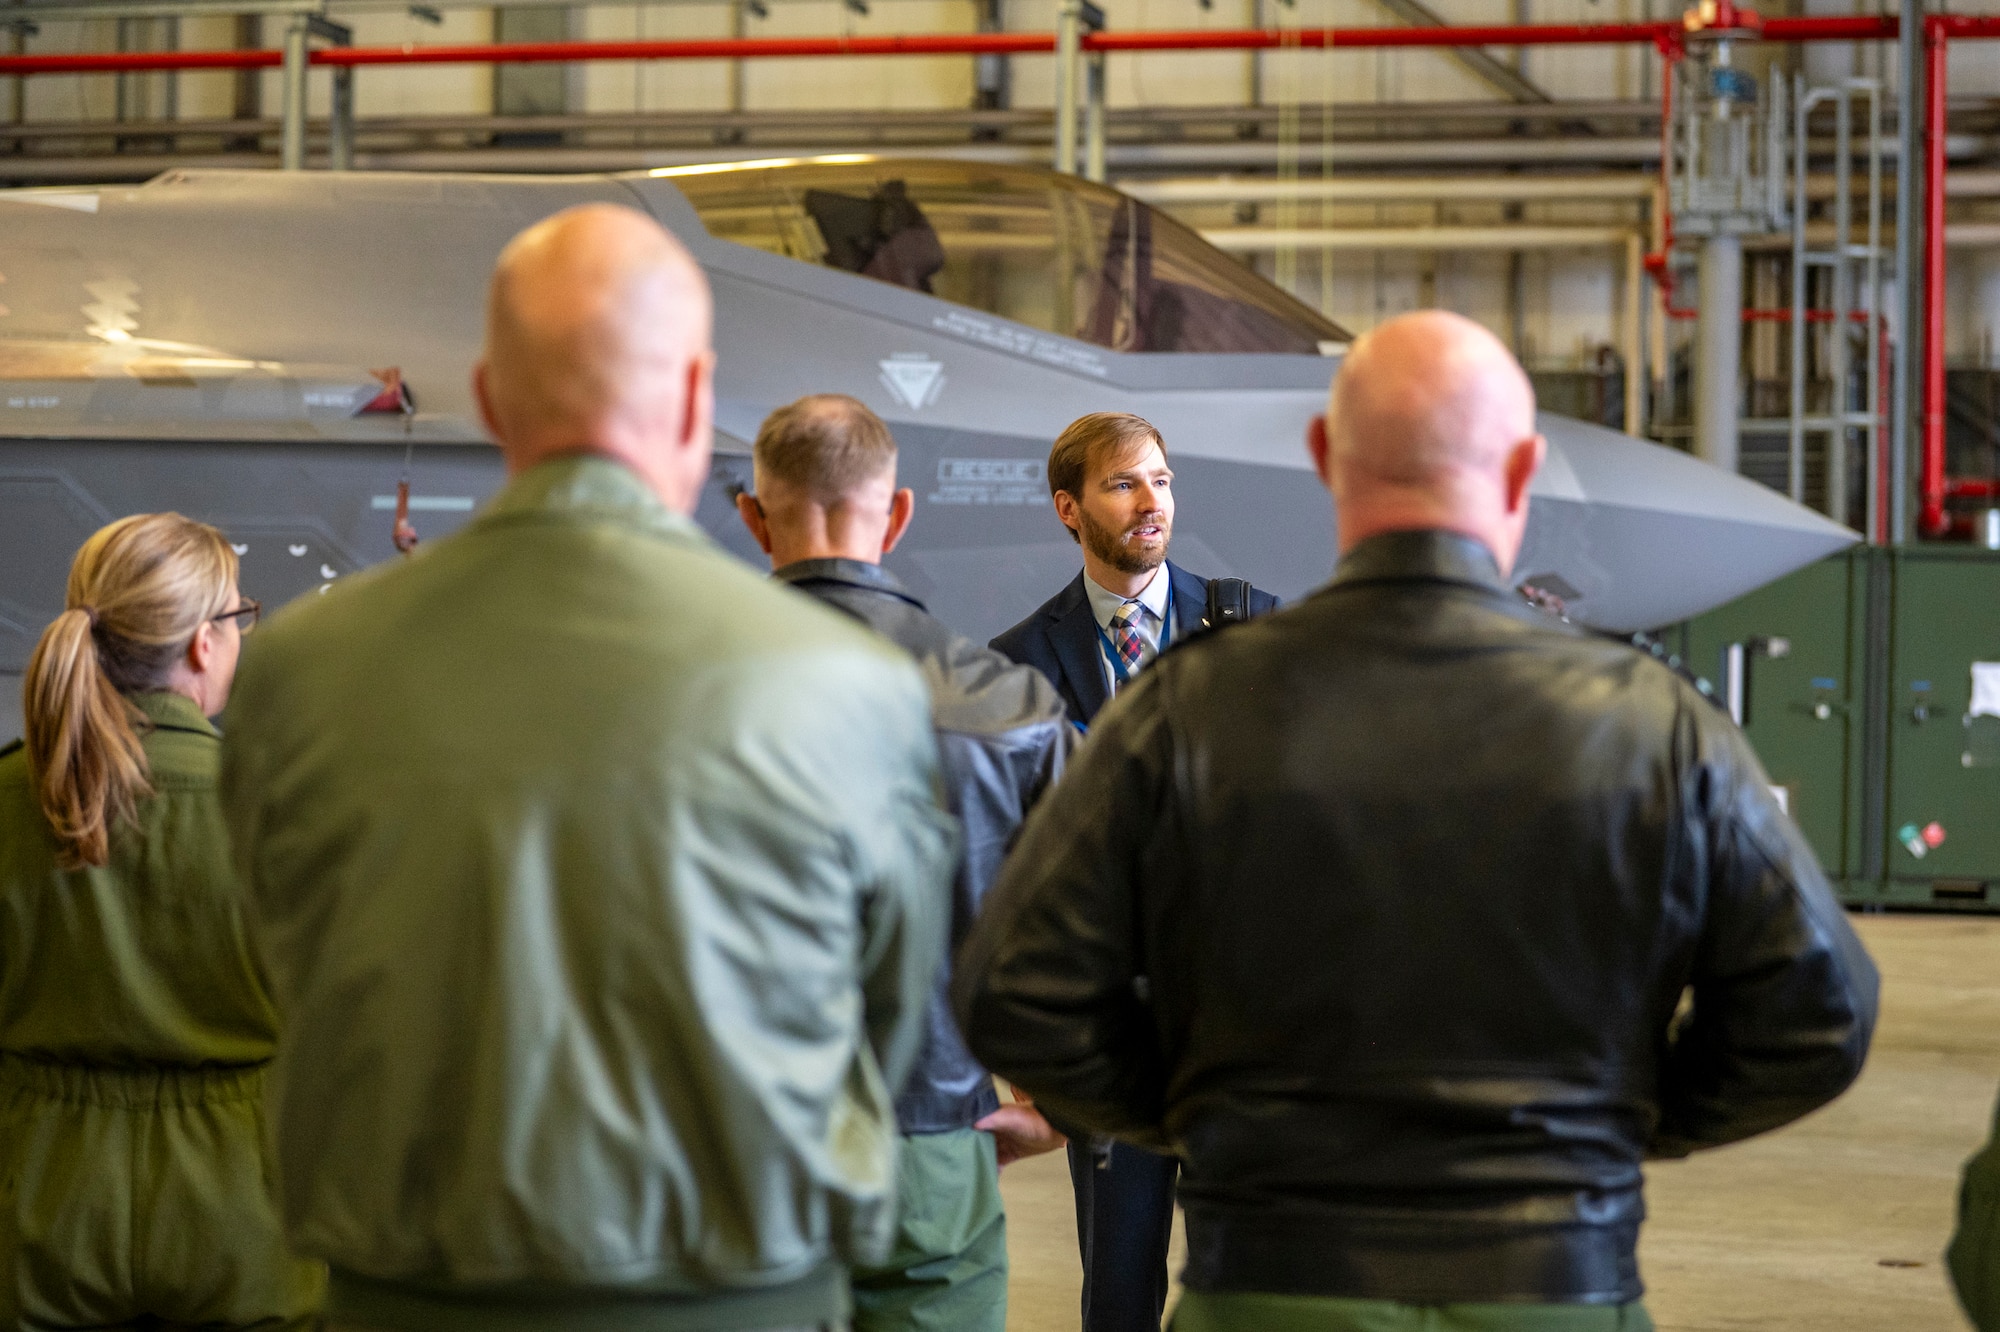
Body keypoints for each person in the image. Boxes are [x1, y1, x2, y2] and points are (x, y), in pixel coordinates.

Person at [957, 309, 1880, 1332]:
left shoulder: (1183, 712)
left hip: (1272, 1284)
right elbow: (1821, 1006)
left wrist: (1203, 1118)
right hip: (1552, 1283)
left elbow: (1014, 988)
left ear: (1324, 458)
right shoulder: (1647, 720)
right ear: (1523, 469)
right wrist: (1602, 1126)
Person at [220, 205, 957, 1332]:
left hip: (407, 1295)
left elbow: (282, 963)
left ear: (493, 395)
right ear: (697, 397)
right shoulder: (847, 685)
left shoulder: (299, 671)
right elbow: (885, 1011)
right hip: (742, 1291)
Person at [734, 392, 1074, 1332]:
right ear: (897, 514)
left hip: (731, 1145)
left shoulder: (684, 686)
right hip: (936, 1137)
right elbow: (1091, 925)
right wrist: (1058, 1104)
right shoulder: (1008, 702)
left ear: (753, 515)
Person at [987, 409, 1276, 1332]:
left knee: (1254, 1289)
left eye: (1160, 479)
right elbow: (1009, 870)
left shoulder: (1257, 630)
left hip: (1242, 1028)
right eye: (1123, 483)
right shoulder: (1021, 667)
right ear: (1069, 509)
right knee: (1117, 1291)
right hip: (1109, 1034)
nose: (1151, 501)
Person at [0, 513, 325, 1330]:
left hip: (35, 1201)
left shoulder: (11, 798)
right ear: (203, 643)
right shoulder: (282, 809)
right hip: (246, 1205)